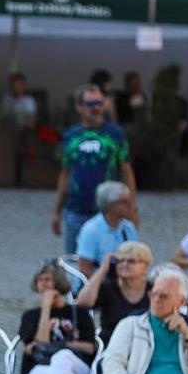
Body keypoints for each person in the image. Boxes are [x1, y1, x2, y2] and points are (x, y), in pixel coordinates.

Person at [52, 84, 135, 256]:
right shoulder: (70, 136)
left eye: (99, 103)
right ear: (79, 107)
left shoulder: (116, 135)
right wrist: (57, 211)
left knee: (110, 261)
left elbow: (126, 171)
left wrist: (130, 206)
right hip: (76, 209)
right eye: (90, 104)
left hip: (108, 211)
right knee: (75, 262)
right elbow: (65, 173)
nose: (95, 108)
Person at [75, 239, 151, 345]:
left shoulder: (154, 289)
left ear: (145, 266)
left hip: (144, 345)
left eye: (131, 261)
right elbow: (82, 303)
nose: (124, 264)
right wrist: (102, 270)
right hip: (111, 345)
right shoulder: (109, 287)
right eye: (120, 261)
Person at [75, 181, 141, 278]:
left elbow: (136, 259)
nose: (131, 205)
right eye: (124, 202)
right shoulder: (91, 231)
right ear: (109, 205)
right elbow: (84, 269)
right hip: (97, 283)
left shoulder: (128, 228)